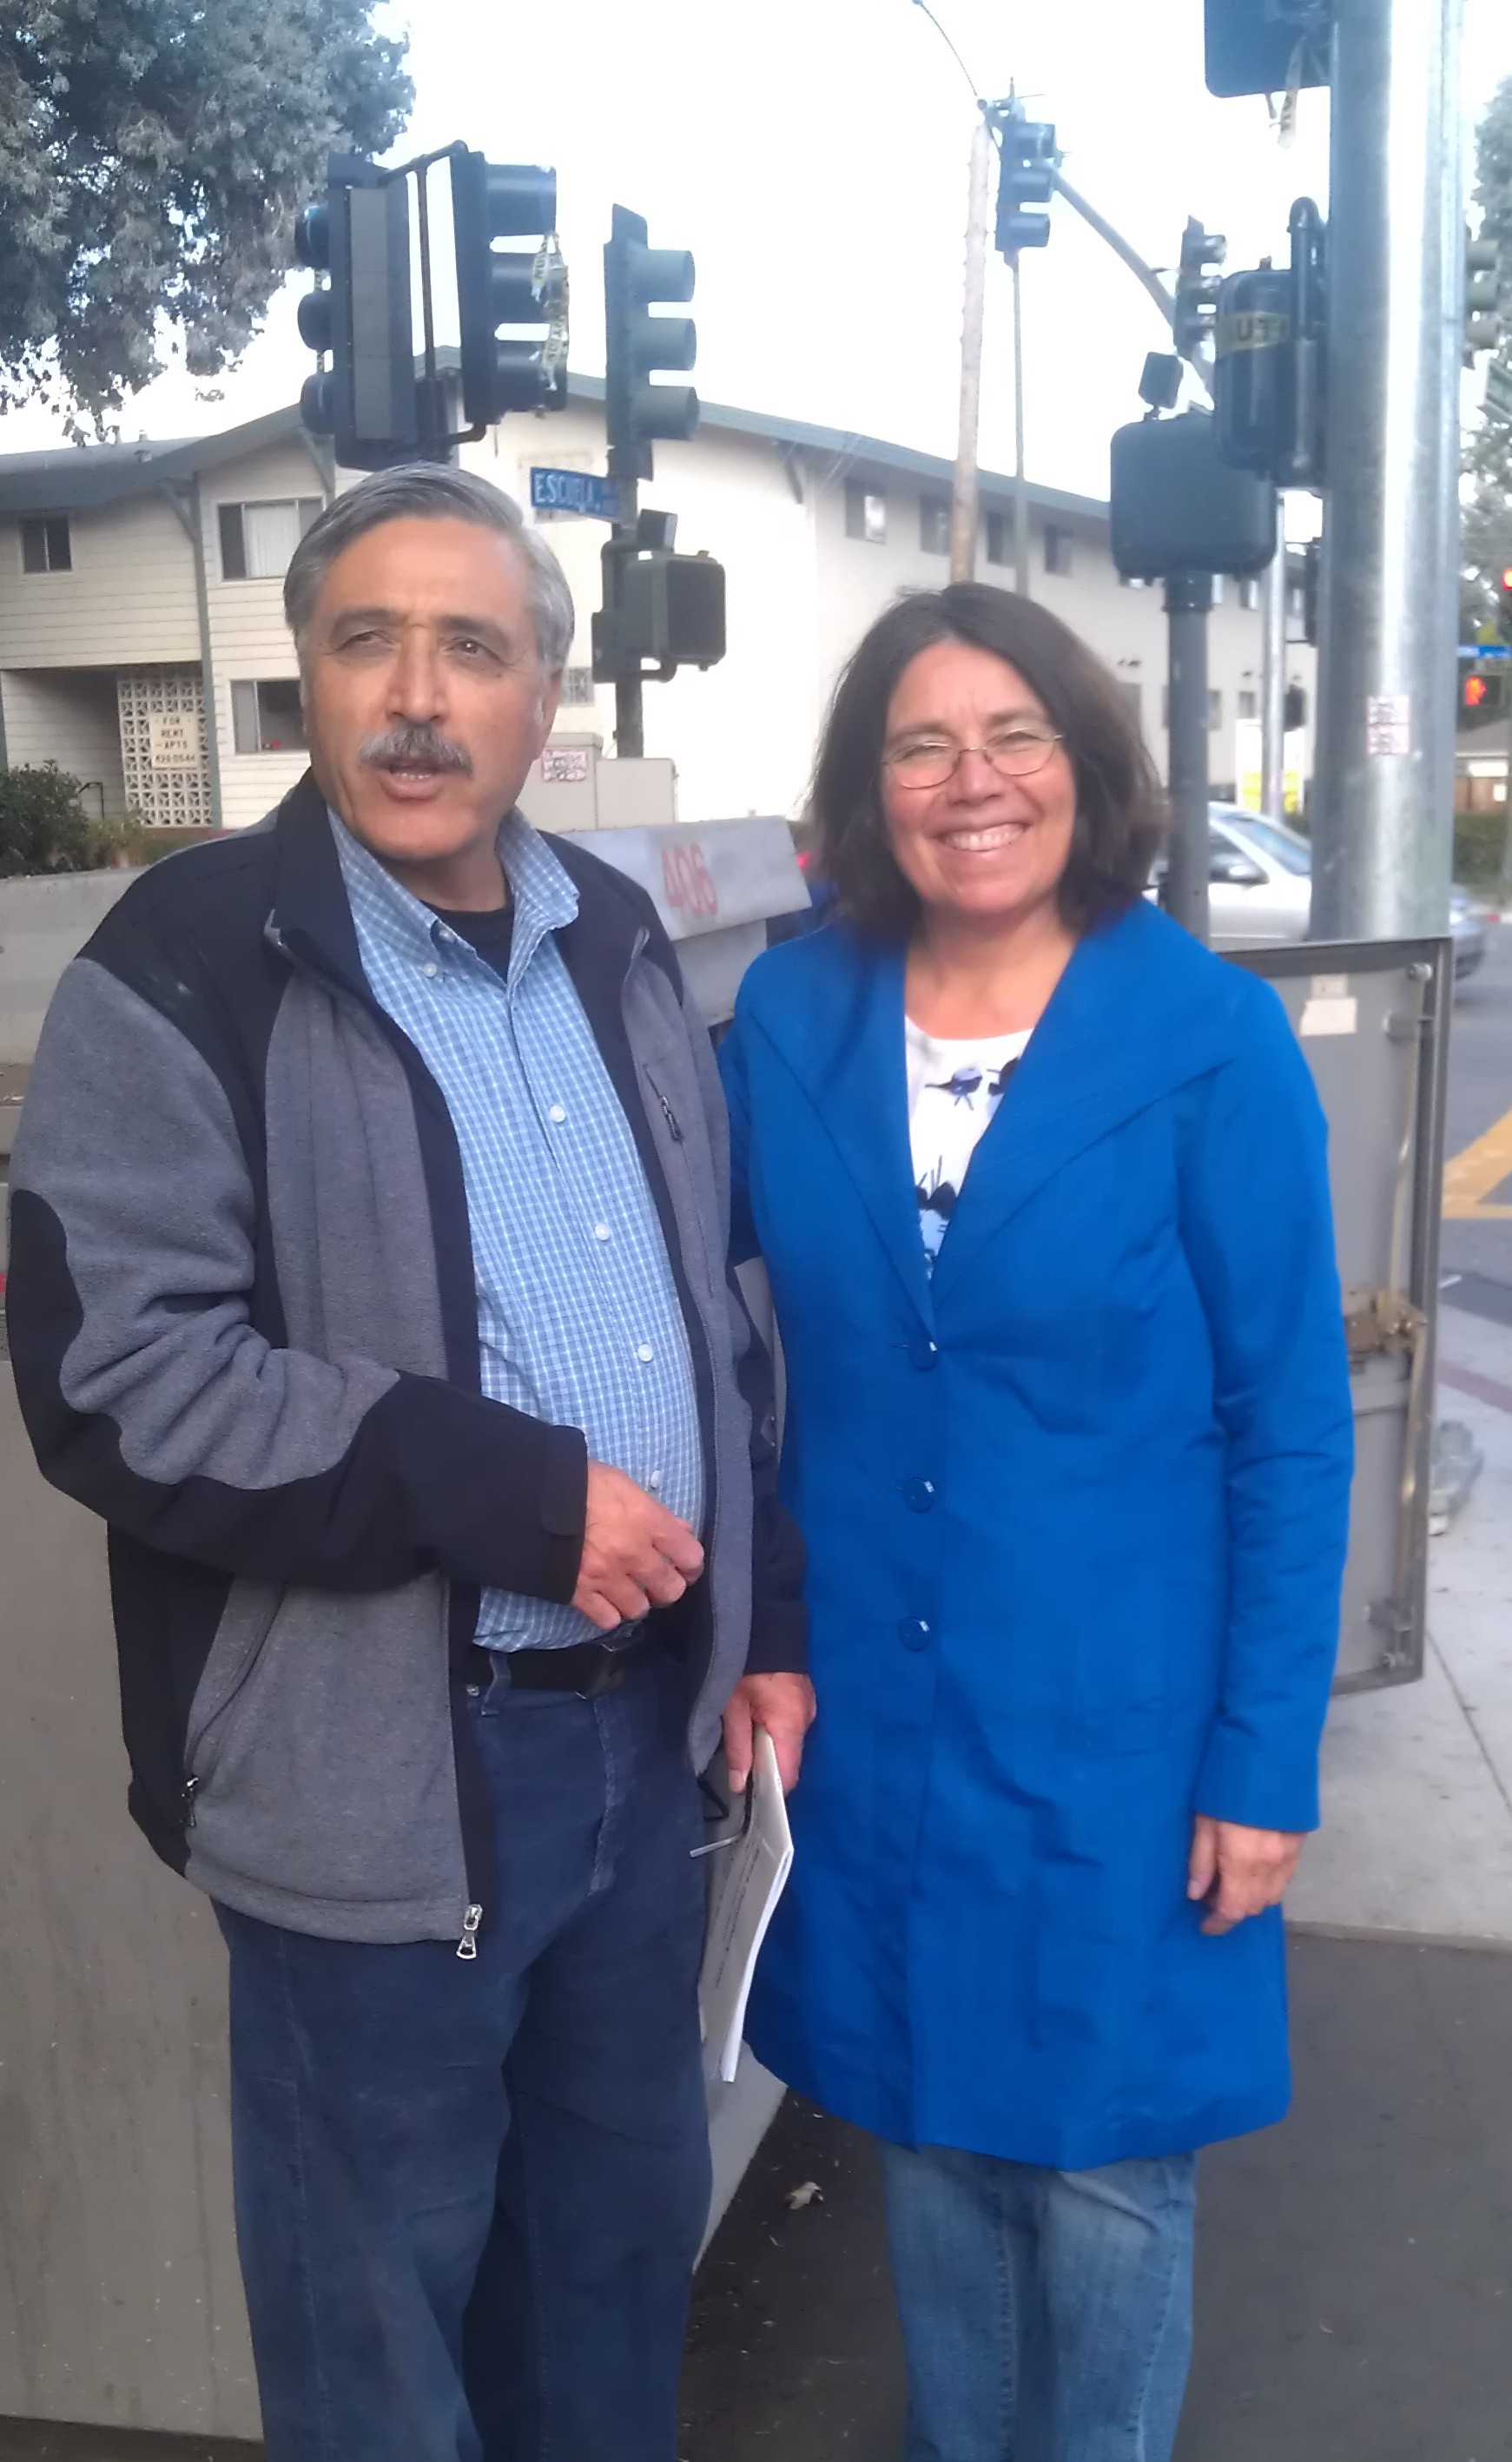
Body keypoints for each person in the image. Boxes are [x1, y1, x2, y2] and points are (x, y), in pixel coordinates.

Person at [5, 464, 814, 2462]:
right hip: (377, 1787)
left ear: (548, 693)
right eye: (367, 637)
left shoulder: (613, 933)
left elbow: (718, 1312)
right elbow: (120, 1372)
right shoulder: (192, 957)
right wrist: (512, 1490)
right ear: (307, 675)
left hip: (647, 1755)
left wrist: (760, 1613)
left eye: (474, 644)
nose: (417, 694)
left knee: (614, 2276)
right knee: (378, 2341)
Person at [718, 583, 1354, 2462]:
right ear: (868, 788)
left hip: (1126, 1733)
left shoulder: (1206, 1038)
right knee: (923, 2129)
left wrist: (1264, 1757)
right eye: (921, 742)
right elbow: (714, 1341)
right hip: (883, 1712)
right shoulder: (790, 1013)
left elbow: (1288, 1428)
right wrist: (762, 1622)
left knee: (1096, 2176)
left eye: (1015, 737)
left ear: (1087, 770)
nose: (970, 779)